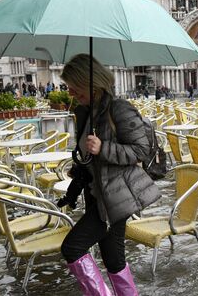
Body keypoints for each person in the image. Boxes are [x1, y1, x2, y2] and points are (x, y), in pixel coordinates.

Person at [57, 54, 161, 294]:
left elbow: (141, 151)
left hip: (116, 196)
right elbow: (89, 155)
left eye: (74, 86)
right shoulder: (85, 112)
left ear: (89, 83)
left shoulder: (119, 109)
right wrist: (81, 166)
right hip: (97, 194)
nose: (70, 93)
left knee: (72, 248)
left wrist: (104, 148)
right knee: (113, 258)